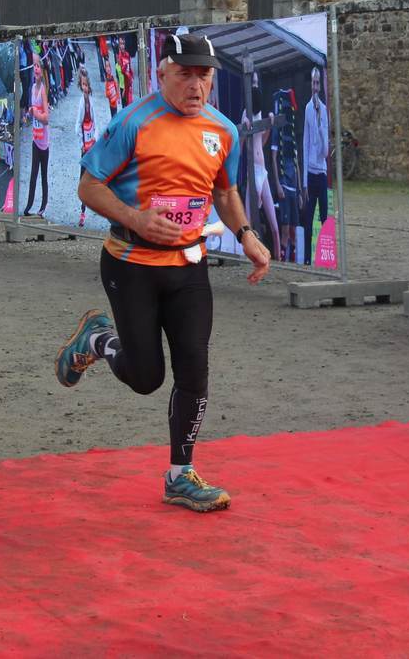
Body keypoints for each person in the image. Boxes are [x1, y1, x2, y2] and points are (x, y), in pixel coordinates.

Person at [54, 34, 272, 512]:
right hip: (131, 264)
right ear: (162, 73)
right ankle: (99, 340)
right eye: (185, 75)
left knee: (194, 367)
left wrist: (247, 235)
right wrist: (136, 219)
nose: (196, 86)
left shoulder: (223, 130)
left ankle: (180, 475)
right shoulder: (134, 122)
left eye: (204, 76)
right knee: (146, 377)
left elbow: (224, 192)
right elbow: (89, 187)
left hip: (189, 266)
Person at [240, 82, 281, 261]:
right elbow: (242, 144)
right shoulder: (246, 113)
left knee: (274, 224)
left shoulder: (260, 113)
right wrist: (245, 128)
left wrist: (269, 125)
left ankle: (278, 257)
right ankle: (250, 255)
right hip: (253, 171)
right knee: (249, 220)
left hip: (262, 170)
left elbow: (262, 142)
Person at [301, 66, 330, 263]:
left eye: (318, 83)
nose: (315, 86)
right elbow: (305, 143)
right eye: (313, 82)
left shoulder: (324, 110)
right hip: (311, 173)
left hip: (322, 172)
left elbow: (325, 151)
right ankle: (306, 259)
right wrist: (304, 181)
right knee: (308, 218)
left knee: (325, 217)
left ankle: (325, 256)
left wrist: (320, 125)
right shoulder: (307, 108)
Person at [22, 53, 51, 217]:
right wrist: (28, 114)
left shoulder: (43, 91)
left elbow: (46, 118)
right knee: (33, 174)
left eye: (38, 66)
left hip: (44, 141)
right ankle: (28, 207)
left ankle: (43, 207)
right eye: (34, 66)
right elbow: (31, 110)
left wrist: (35, 113)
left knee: (43, 175)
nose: (36, 69)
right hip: (35, 137)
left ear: (42, 69)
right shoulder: (32, 89)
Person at [76, 67, 96, 227]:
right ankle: (82, 211)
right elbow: (77, 124)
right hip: (85, 144)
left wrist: (95, 136)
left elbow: (96, 121)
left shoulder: (91, 100)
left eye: (86, 85)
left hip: (92, 143)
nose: (85, 88)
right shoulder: (81, 102)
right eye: (82, 85)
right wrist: (81, 144)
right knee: (82, 178)